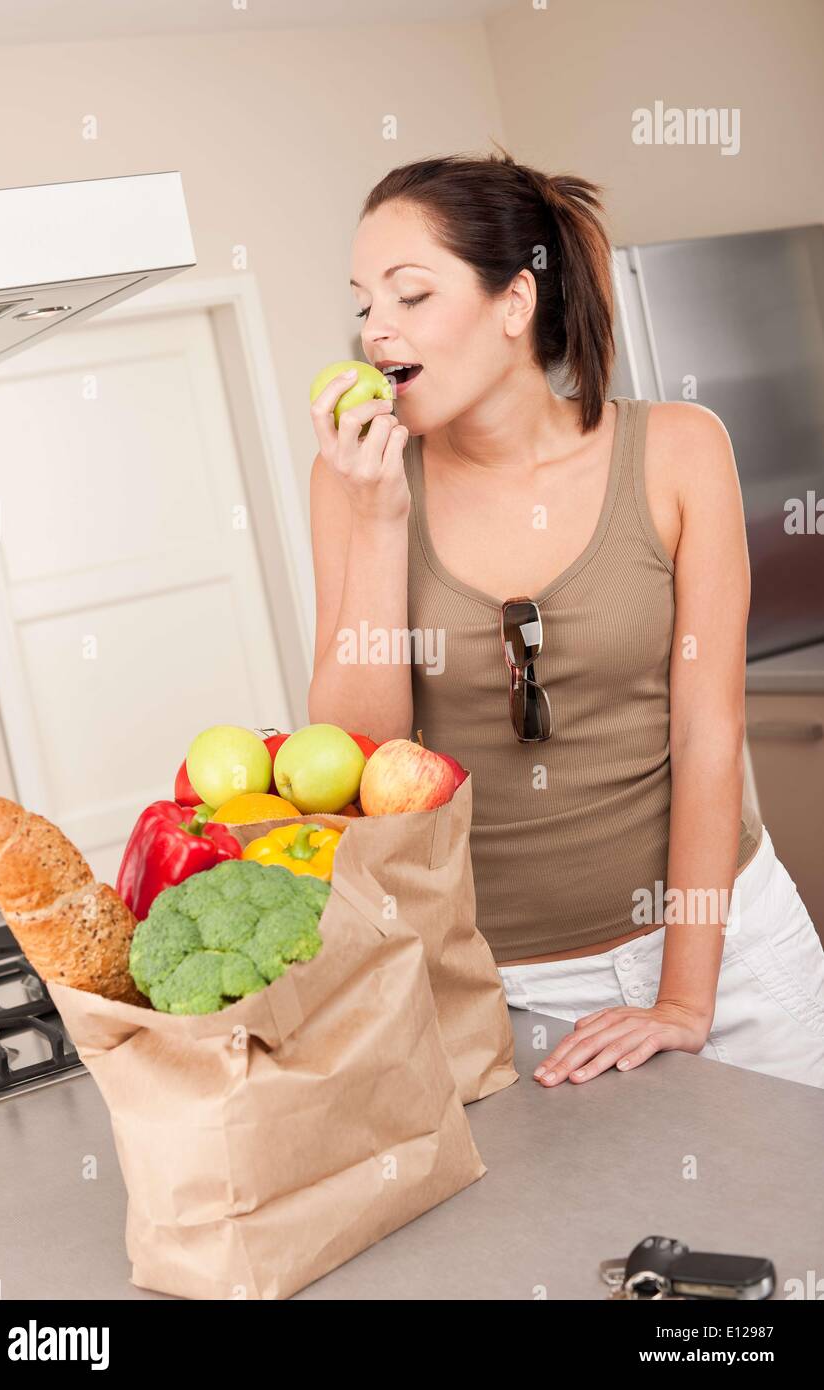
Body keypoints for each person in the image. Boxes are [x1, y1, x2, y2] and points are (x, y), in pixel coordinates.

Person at [307, 150, 824, 1089]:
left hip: (727, 954)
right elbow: (355, 766)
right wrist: (381, 523)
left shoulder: (678, 451)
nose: (376, 331)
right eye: (363, 304)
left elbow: (710, 734)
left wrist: (683, 999)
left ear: (515, 305)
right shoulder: (356, 482)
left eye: (410, 296)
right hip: (509, 988)